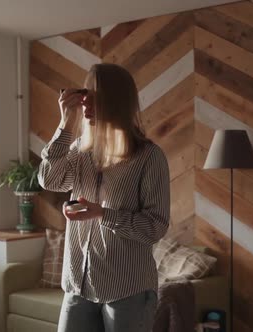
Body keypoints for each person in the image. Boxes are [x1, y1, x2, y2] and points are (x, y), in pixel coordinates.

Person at [38, 63, 171, 332]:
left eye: (96, 97)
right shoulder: (80, 150)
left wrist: (102, 214)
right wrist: (65, 123)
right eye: (85, 94)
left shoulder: (149, 157)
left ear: (117, 102)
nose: (85, 103)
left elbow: (155, 227)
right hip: (78, 286)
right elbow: (49, 180)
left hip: (127, 291)